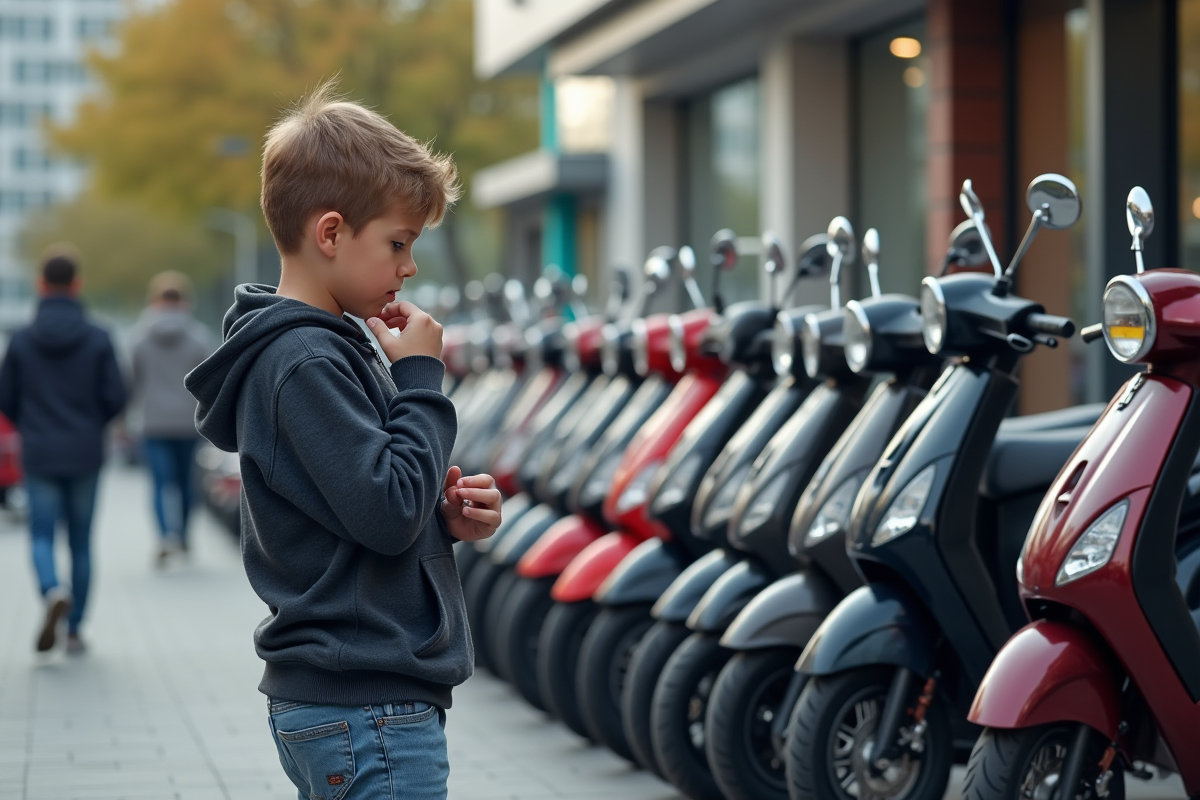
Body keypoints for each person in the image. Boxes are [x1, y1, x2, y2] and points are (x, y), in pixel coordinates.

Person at [185, 82, 502, 800]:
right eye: (399, 242)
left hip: (355, 700)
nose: (409, 266)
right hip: (365, 704)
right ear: (330, 234)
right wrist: (421, 378)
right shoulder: (306, 360)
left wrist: (439, 512)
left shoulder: (323, 349)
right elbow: (385, 512)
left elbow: (371, 498)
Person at [0, 246, 127, 654]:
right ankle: (74, 629)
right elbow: (116, 395)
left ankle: (52, 588)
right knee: (81, 540)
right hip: (85, 450)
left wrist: (32, 425)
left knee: (40, 533)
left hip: (39, 451)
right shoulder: (99, 336)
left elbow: (6, 397)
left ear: (41, 285)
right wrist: (92, 425)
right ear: (77, 285)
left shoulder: (21, 339)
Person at [131, 271, 212, 564]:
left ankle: (167, 535)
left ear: (155, 301)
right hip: (190, 423)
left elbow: (132, 381)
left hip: (152, 423)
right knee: (187, 483)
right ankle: (185, 538)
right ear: (185, 301)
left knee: (160, 483)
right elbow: (210, 381)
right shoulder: (199, 337)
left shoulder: (140, 339)